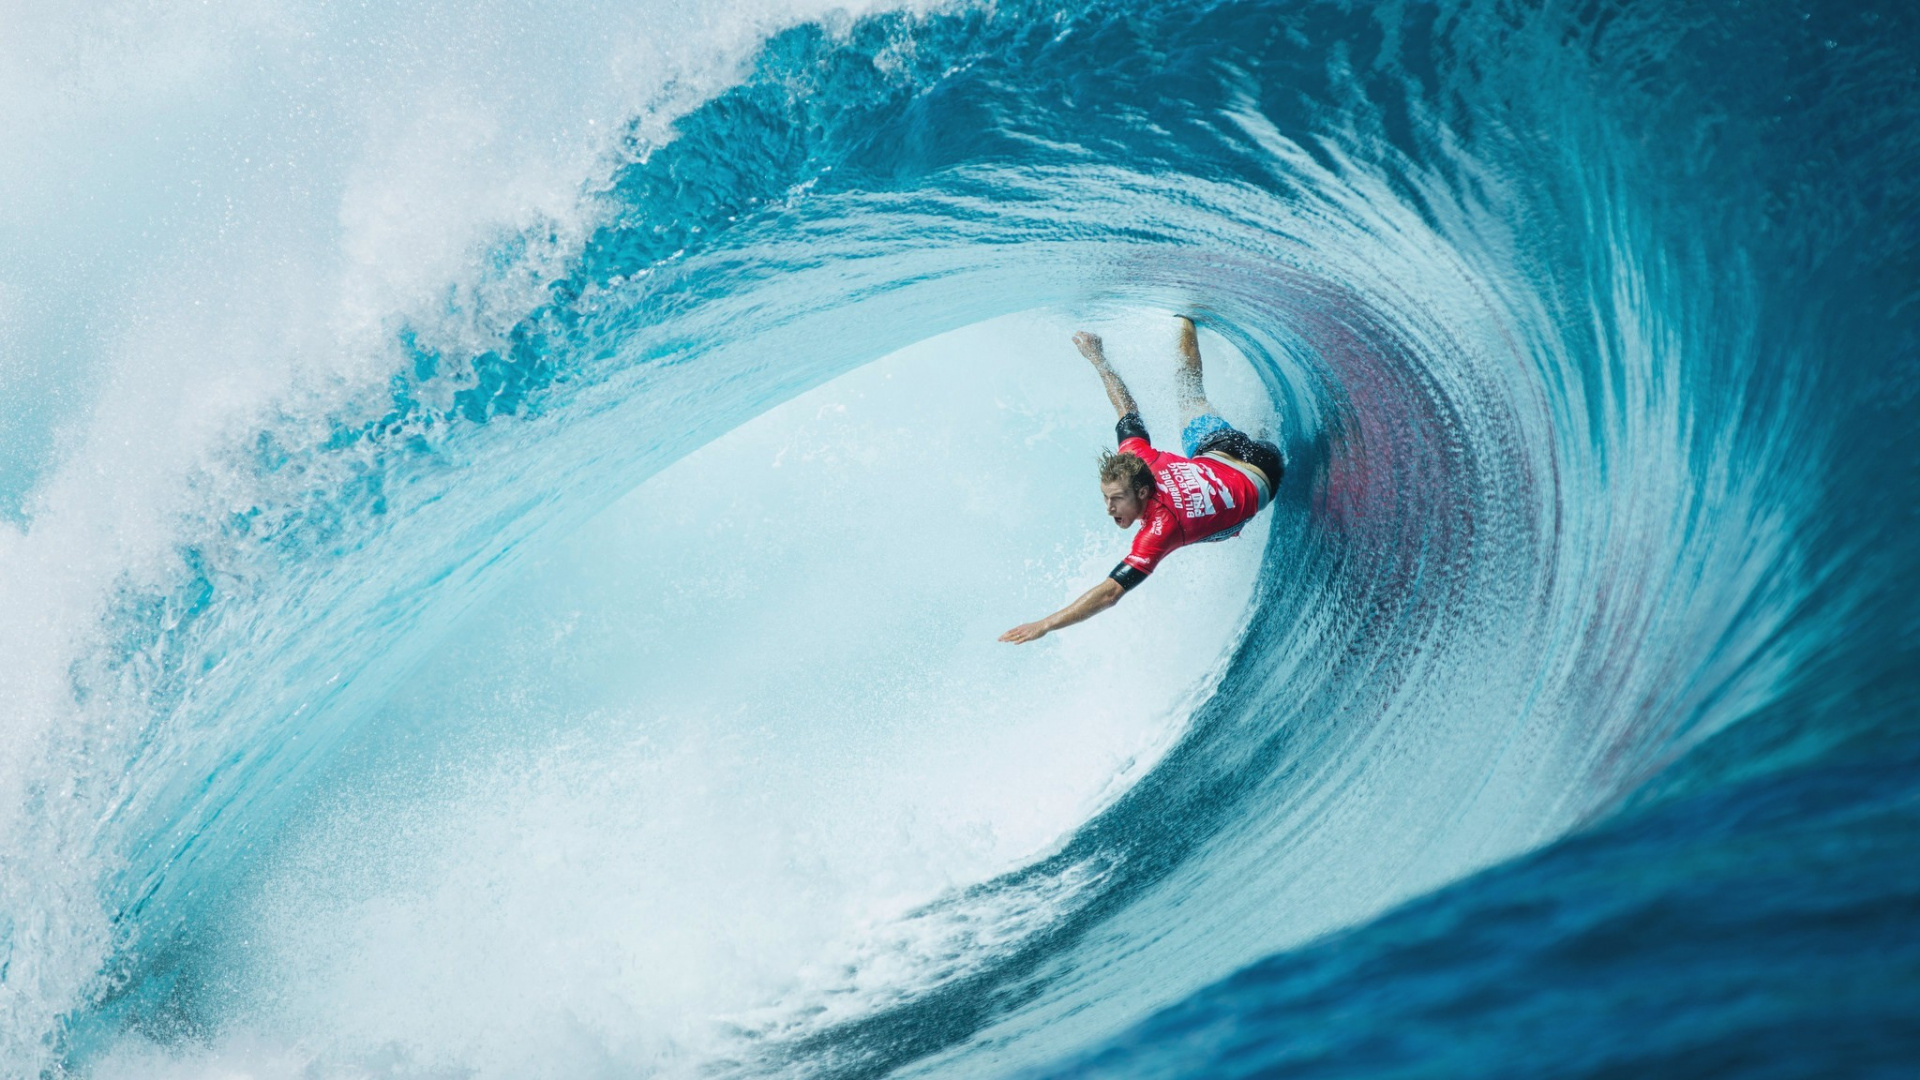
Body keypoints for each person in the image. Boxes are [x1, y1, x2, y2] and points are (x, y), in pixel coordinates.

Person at [1001, 317, 1283, 644]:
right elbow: (1125, 408)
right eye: (1106, 498)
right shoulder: (1137, 456)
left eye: (1117, 499)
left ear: (1143, 491)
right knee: (1188, 392)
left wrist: (1045, 625)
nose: (1109, 508)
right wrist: (1097, 357)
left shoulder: (1162, 527)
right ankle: (1185, 318)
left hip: (1263, 471)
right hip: (1217, 449)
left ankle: (1263, 431)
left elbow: (1110, 593)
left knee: (1240, 496)